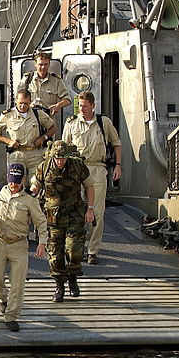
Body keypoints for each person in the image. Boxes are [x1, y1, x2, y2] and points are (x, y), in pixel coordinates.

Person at [0, 164, 47, 332]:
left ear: (23, 180)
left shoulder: (30, 200)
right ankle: (3, 299)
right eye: (11, 182)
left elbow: (41, 221)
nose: (13, 186)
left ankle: (11, 316)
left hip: (18, 245)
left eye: (16, 183)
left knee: (17, 284)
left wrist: (42, 242)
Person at [62, 91, 123, 265]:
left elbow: (116, 143)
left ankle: (93, 250)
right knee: (75, 211)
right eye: (80, 105)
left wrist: (118, 165)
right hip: (76, 168)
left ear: (92, 105)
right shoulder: (71, 123)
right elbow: (63, 149)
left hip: (97, 168)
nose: (82, 109)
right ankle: (77, 247)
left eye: (85, 106)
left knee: (97, 212)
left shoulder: (104, 122)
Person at [31, 141, 95, 302]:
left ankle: (73, 276)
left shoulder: (78, 165)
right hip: (52, 218)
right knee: (54, 254)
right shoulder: (44, 167)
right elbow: (35, 188)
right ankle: (59, 285)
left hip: (74, 214)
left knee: (74, 250)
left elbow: (89, 187)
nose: (60, 161)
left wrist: (91, 209)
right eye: (57, 158)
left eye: (63, 158)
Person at [0, 89, 56, 181]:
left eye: (26, 103)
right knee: (17, 183)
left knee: (36, 184)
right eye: (20, 103)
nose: (22, 106)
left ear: (30, 102)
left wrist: (43, 138)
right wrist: (8, 141)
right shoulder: (8, 115)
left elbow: (53, 127)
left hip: (35, 154)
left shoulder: (38, 114)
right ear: (16, 100)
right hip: (17, 154)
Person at [16, 50, 71, 117]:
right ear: (35, 65)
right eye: (40, 64)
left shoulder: (56, 81)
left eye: (45, 64)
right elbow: (18, 99)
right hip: (30, 118)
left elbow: (67, 100)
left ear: (49, 65)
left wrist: (58, 106)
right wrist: (28, 105)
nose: (43, 67)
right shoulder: (27, 79)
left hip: (48, 119)